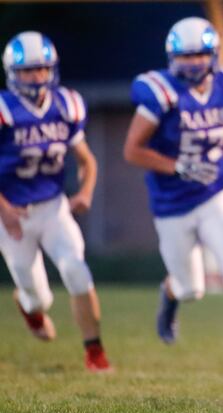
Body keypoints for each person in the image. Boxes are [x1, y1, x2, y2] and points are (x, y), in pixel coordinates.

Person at [123, 17, 223, 374]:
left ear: (213, 55)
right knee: (191, 288)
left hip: (214, 191)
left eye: (199, 55)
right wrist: (177, 166)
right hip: (172, 202)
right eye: (185, 56)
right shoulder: (161, 92)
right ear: (172, 58)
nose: (192, 63)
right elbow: (132, 150)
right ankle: (172, 293)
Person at [0, 31, 111, 372]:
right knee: (39, 297)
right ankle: (29, 306)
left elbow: (86, 160)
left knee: (76, 270)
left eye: (42, 69)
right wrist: (4, 210)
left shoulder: (66, 105)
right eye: (28, 71)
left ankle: (95, 353)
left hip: (52, 205)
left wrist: (85, 191)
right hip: (12, 211)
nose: (36, 77)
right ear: (12, 73)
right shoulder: (5, 109)